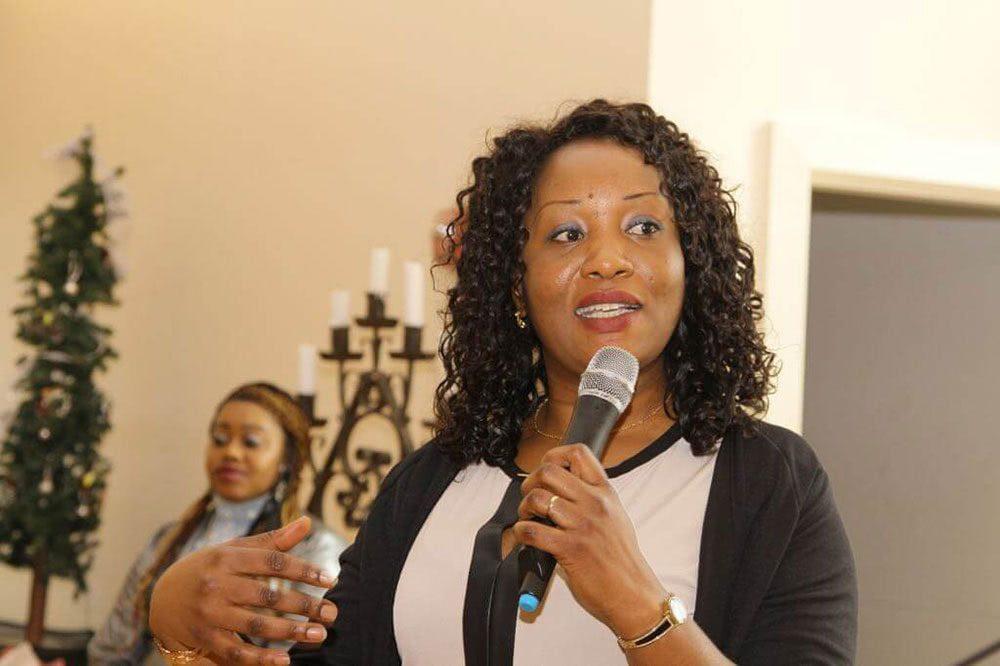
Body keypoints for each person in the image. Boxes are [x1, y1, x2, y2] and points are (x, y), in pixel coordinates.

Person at [147, 100, 858, 665]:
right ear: (516, 284)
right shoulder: (434, 483)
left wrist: (640, 606)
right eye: (567, 234)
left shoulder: (766, 485)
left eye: (643, 226)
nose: (608, 259)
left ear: (689, 263)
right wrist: (178, 618)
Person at [88, 382, 347, 664]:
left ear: (286, 459)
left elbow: (300, 656)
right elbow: (110, 650)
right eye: (220, 439)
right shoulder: (169, 540)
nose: (231, 453)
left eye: (250, 442)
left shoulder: (317, 550)